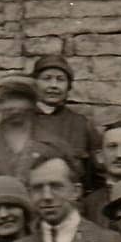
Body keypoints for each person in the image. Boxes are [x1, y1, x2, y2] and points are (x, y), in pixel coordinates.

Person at [0, 76, 66, 185]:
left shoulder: (53, 146)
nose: (16, 106)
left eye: (22, 99)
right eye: (9, 99)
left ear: (33, 104)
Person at [28, 53, 99, 185]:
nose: (53, 85)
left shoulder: (81, 125)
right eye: (47, 78)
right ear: (34, 84)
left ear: (68, 87)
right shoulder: (19, 122)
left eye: (60, 79)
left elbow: (96, 175)